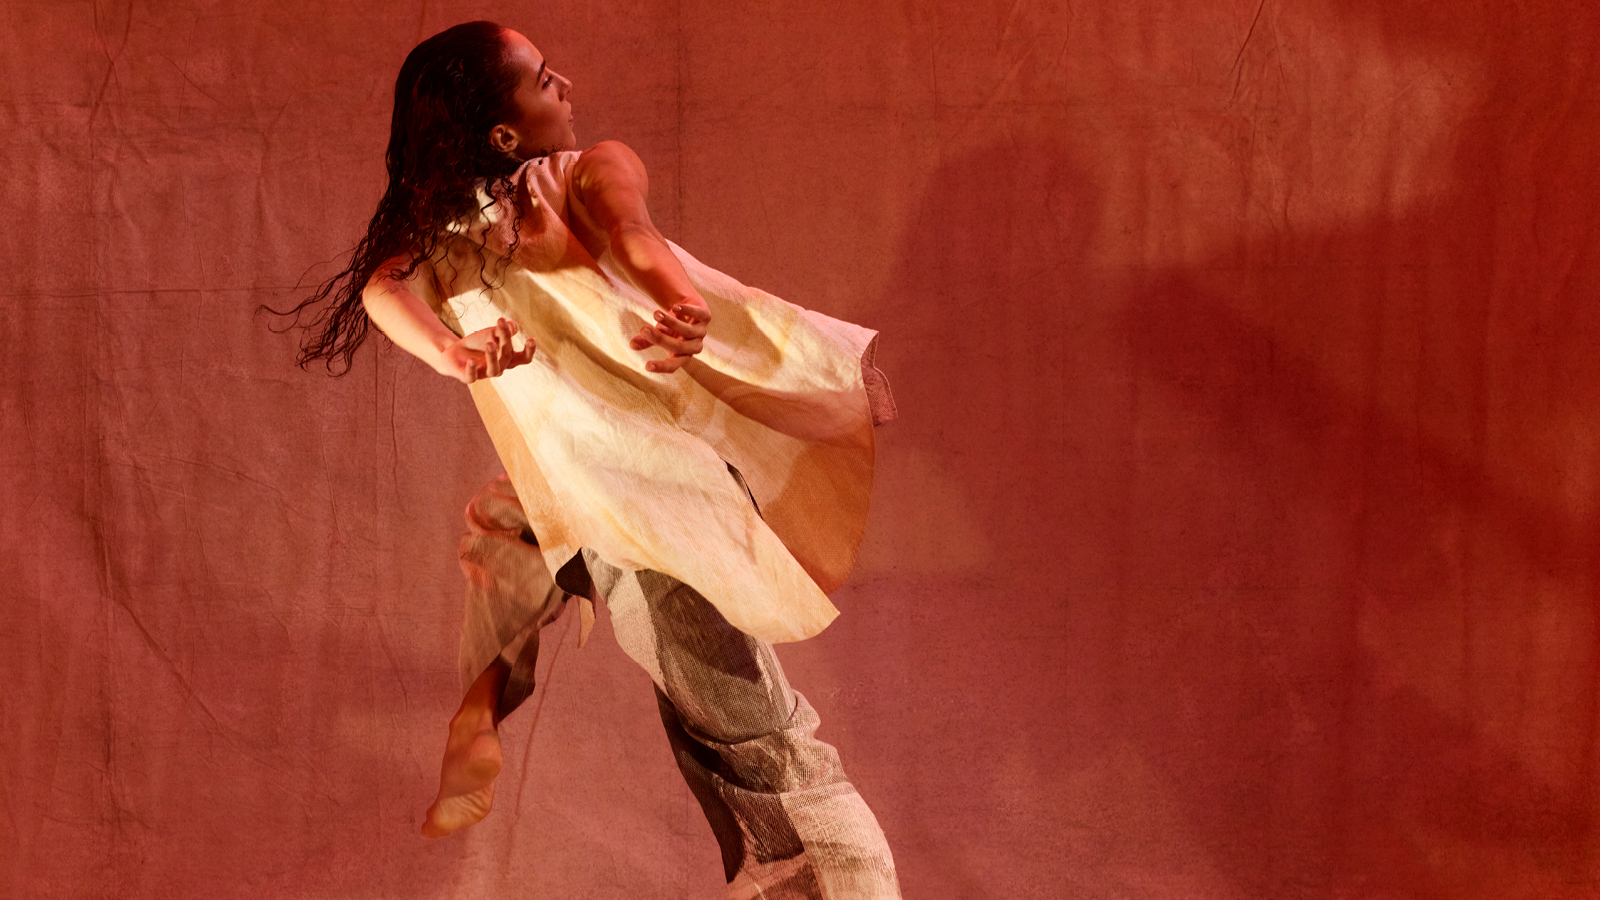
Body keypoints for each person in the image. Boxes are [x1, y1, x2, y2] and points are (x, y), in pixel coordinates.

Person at [276, 20, 899, 899]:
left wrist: (678, 302)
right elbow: (385, 289)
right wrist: (450, 354)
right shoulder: (457, 226)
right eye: (542, 78)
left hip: (643, 497)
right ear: (504, 132)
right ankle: (497, 707)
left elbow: (630, 231)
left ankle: (831, 877)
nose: (565, 84)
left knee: (741, 726)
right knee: (531, 547)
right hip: (607, 492)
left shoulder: (574, 176)